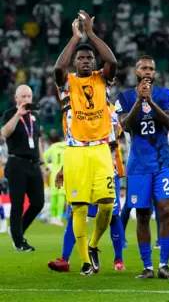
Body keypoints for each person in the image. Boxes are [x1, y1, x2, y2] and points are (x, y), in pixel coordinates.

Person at [54, 11, 119, 275]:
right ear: (75, 62)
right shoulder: (67, 83)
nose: (84, 61)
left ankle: (92, 245)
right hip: (76, 151)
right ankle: (84, 262)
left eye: (88, 57)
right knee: (78, 208)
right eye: (80, 58)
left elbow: (112, 61)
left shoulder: (102, 79)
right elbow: (58, 68)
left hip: (101, 148)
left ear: (93, 62)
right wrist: (75, 38)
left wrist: (91, 35)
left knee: (107, 204)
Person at [115, 56, 169, 279]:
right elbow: (124, 125)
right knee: (142, 215)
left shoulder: (166, 95)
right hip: (138, 166)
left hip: (163, 163)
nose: (149, 71)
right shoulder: (123, 98)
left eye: (152, 68)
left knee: (166, 210)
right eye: (144, 68)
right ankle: (148, 267)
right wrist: (138, 101)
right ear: (135, 72)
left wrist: (150, 102)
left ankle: (164, 264)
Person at [48, 104, 127, 272]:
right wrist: (63, 169)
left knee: (112, 214)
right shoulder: (74, 110)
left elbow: (112, 140)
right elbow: (73, 144)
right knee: (76, 210)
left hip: (106, 167)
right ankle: (65, 258)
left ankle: (117, 258)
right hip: (81, 168)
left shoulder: (110, 111)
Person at [0, 84, 46, 251]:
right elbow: (4, 133)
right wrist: (17, 115)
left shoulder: (34, 116)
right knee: (17, 204)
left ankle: (16, 230)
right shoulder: (9, 114)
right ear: (16, 98)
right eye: (24, 96)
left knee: (38, 203)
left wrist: (42, 164)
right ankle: (19, 242)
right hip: (17, 163)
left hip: (33, 165)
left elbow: (38, 140)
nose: (27, 99)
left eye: (29, 96)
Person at [43, 141, 66, 226]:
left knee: (53, 196)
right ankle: (58, 218)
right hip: (63, 173)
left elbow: (44, 156)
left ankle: (53, 218)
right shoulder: (68, 146)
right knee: (61, 196)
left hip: (54, 173)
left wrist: (48, 166)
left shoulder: (54, 146)